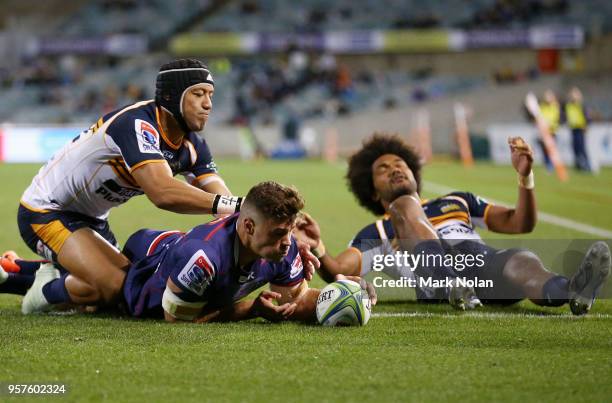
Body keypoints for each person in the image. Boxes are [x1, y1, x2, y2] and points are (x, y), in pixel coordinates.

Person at [17, 59, 244, 314]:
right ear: (171, 96)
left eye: (210, 95)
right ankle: (44, 293)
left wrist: (255, 214)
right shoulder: (137, 123)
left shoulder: (194, 146)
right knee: (115, 288)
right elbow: (162, 192)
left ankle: (15, 273)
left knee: (117, 295)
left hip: (94, 222)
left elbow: (223, 200)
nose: (208, 104)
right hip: (47, 211)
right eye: (198, 94)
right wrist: (237, 206)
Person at [295, 134, 610, 315]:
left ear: (414, 172)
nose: (394, 170)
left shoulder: (457, 201)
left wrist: (525, 177)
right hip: (436, 282)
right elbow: (338, 268)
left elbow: (520, 222)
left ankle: (573, 290)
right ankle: (450, 284)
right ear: (374, 191)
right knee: (405, 207)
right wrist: (317, 245)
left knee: (522, 261)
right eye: (383, 169)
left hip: (480, 267)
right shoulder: (379, 230)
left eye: (400, 164)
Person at [22, 181, 374, 323]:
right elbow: (178, 320)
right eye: (279, 233)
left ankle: (24, 272)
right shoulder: (203, 259)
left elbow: (293, 298)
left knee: (96, 291)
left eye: (289, 231)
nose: (287, 242)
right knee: (106, 295)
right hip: (153, 270)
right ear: (248, 227)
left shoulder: (283, 247)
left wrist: (343, 294)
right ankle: (45, 285)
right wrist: (249, 309)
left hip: (171, 247)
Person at [565, 87, 591, 172]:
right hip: (573, 129)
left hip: (581, 128)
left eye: (575, 94)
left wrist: (586, 125)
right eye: (572, 94)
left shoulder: (582, 105)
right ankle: (578, 165)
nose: (573, 96)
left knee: (582, 148)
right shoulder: (568, 106)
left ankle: (587, 165)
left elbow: (587, 116)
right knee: (575, 148)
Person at [538, 89, 561, 171]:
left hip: (552, 131)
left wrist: (548, 124)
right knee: (544, 149)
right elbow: (539, 117)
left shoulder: (555, 106)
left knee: (552, 150)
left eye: (549, 96)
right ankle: (547, 164)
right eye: (546, 96)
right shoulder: (542, 106)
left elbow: (555, 118)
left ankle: (552, 165)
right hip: (544, 132)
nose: (547, 98)